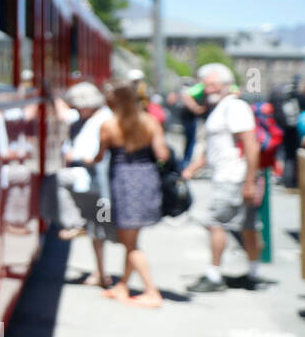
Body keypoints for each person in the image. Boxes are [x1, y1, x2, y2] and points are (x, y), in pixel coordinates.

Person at [86, 83, 170, 307]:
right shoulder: (150, 121)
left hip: (123, 182)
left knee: (130, 244)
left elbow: (99, 156)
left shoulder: (109, 125)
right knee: (132, 238)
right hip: (147, 179)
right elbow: (162, 153)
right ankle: (122, 285)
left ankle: (152, 292)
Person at [183, 63, 262, 292]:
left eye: (211, 84)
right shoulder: (220, 108)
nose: (206, 90)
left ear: (225, 85)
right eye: (205, 85)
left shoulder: (234, 107)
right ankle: (253, 272)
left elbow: (251, 145)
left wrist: (249, 181)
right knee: (246, 226)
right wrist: (193, 168)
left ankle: (214, 275)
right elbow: (215, 148)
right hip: (229, 175)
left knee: (216, 224)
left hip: (233, 177)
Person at [56, 81, 115, 288]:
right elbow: (65, 113)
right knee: (97, 231)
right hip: (96, 185)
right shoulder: (93, 117)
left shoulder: (103, 121)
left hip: (101, 188)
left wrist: (77, 156)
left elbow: (96, 156)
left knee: (102, 228)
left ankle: (75, 224)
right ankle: (101, 273)